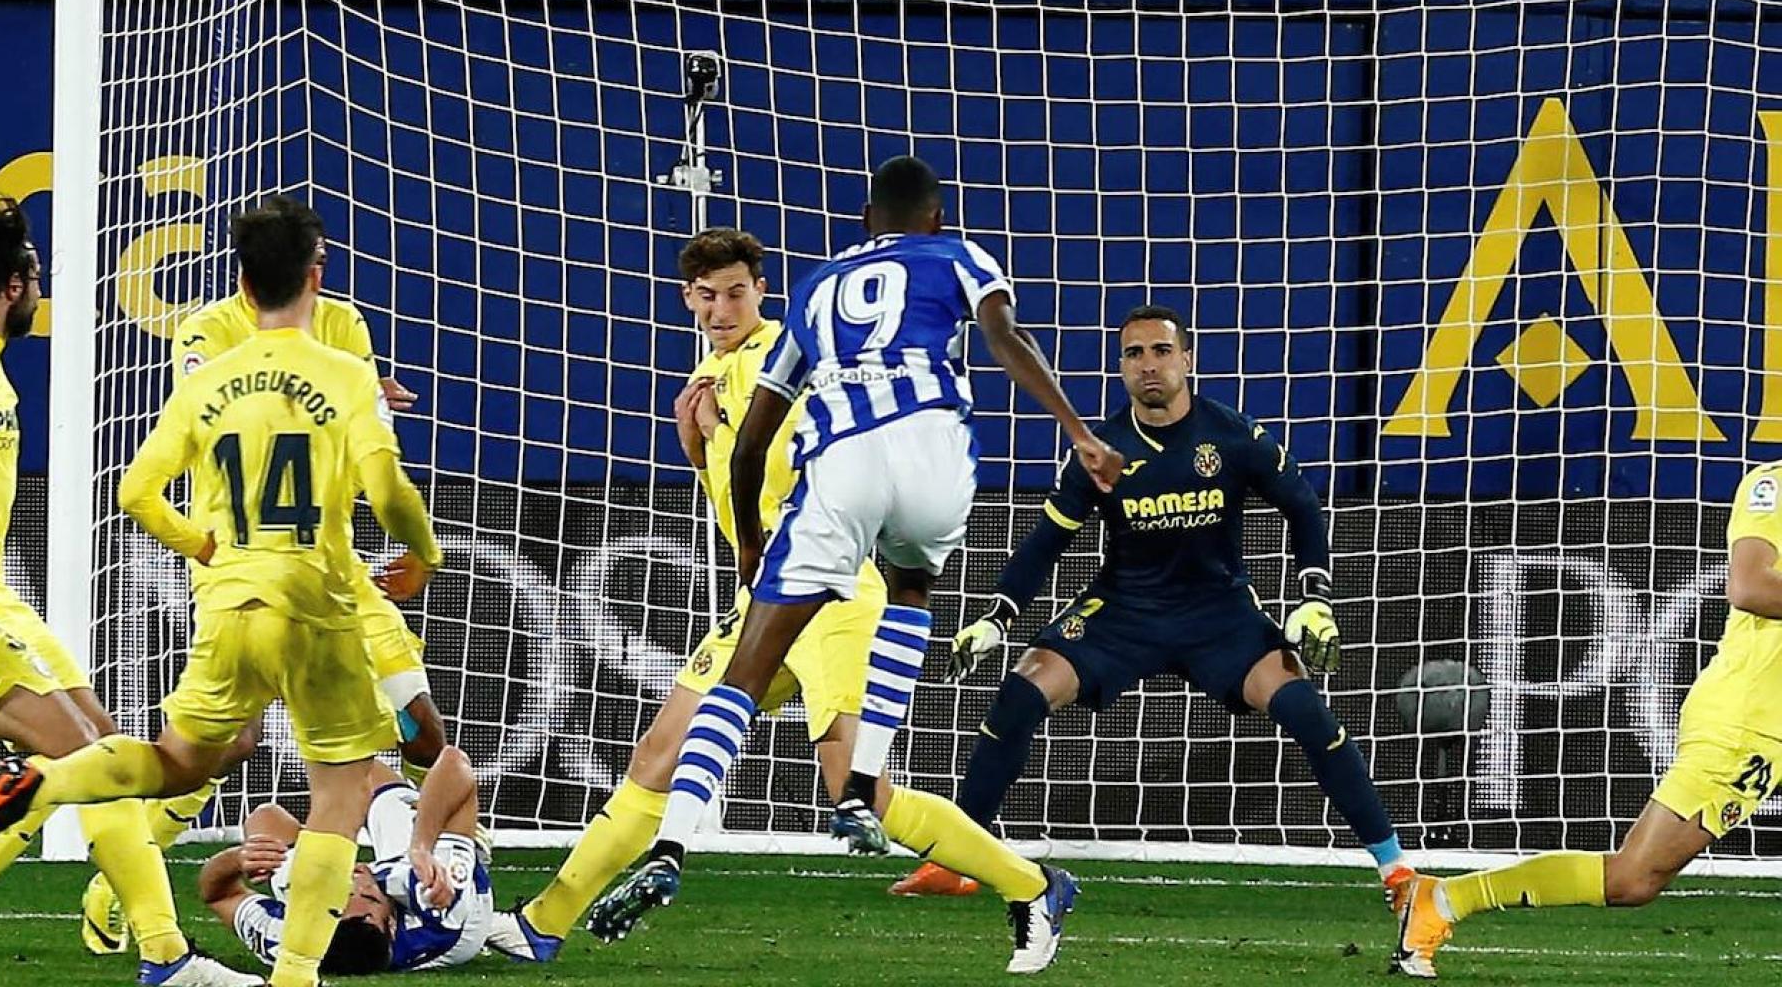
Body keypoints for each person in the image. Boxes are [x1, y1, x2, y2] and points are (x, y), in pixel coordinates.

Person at [591, 156, 1124, 974]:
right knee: (666, 746)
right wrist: (1079, 432)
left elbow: (765, 457)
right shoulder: (714, 375)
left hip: (828, 557)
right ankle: (557, 913)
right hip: (915, 469)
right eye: (705, 295)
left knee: (819, 750)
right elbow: (1003, 336)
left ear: (763, 289)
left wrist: (746, 536)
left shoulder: (807, 309)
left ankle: (1028, 880)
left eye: (733, 293)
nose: (720, 308)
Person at [0, 196, 444, 987]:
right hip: (316, 597)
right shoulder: (326, 368)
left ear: (244, 276)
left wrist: (202, 544)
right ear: (314, 275)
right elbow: (385, 486)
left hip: (235, 593)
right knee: (342, 789)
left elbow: (136, 491)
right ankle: (296, 976)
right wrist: (424, 553)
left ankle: (45, 780)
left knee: (178, 761)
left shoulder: (217, 379)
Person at [894, 306, 1411, 912]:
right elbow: (1047, 541)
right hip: (1124, 612)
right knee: (1021, 692)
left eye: (1162, 351)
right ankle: (956, 862)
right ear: (1121, 367)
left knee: (1304, 709)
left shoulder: (1233, 436)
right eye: (1134, 354)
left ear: (1187, 359)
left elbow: (1301, 505)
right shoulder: (1101, 450)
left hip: (1219, 614)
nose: (1149, 365)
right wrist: (997, 618)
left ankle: (1396, 868)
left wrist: (1315, 598)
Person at [0, 198, 253, 987]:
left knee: (111, 758)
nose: (41, 291)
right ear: (13, 285)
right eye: (36, 277)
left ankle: (156, 953)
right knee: (83, 755)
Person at [82, 218, 443, 956]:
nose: (322, 271)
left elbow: (364, 441)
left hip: (330, 569)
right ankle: (114, 882)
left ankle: (430, 856)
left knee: (422, 728)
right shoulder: (205, 333)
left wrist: (366, 402)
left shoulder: (345, 325)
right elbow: (225, 425)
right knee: (234, 744)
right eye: (316, 259)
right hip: (237, 565)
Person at [1391, 457, 1782, 978]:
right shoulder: (1772, 485)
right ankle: (1443, 899)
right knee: (1632, 879)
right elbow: (1750, 587)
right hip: (1746, 722)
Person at [201, 746, 493, 974]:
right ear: (392, 924)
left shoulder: (282, 937)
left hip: (337, 899)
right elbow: (455, 761)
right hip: (464, 922)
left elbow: (217, 895)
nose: (355, 877)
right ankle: (468, 854)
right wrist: (422, 846)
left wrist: (240, 858)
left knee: (266, 823)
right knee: (367, 774)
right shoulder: (433, 901)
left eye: (340, 896)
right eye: (368, 896)